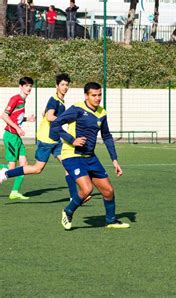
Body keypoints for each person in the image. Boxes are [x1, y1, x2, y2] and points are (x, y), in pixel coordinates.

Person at [51, 82, 129, 230]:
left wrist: (114, 159)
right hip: (72, 156)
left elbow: (106, 136)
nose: (98, 98)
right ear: (86, 95)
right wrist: (72, 140)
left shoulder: (102, 113)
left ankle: (111, 220)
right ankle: (67, 211)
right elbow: (55, 125)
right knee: (87, 189)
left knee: (108, 191)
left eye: (100, 95)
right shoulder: (77, 109)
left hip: (90, 157)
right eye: (94, 95)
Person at [0, 74, 84, 204]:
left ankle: (74, 197)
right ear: (56, 86)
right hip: (44, 139)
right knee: (36, 169)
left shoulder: (59, 101)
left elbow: (45, 114)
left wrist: (28, 119)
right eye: (62, 84)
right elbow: (50, 116)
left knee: (68, 164)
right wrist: (66, 119)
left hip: (55, 140)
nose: (65, 87)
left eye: (67, 85)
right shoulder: (53, 100)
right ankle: (5, 173)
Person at [0, 77, 36, 200]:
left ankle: (14, 192)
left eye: (30, 86)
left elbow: (16, 117)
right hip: (11, 136)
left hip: (17, 137)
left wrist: (27, 119)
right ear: (20, 86)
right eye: (26, 86)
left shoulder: (23, 100)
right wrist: (18, 129)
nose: (29, 88)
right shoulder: (15, 99)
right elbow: (4, 116)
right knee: (11, 169)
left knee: (24, 164)